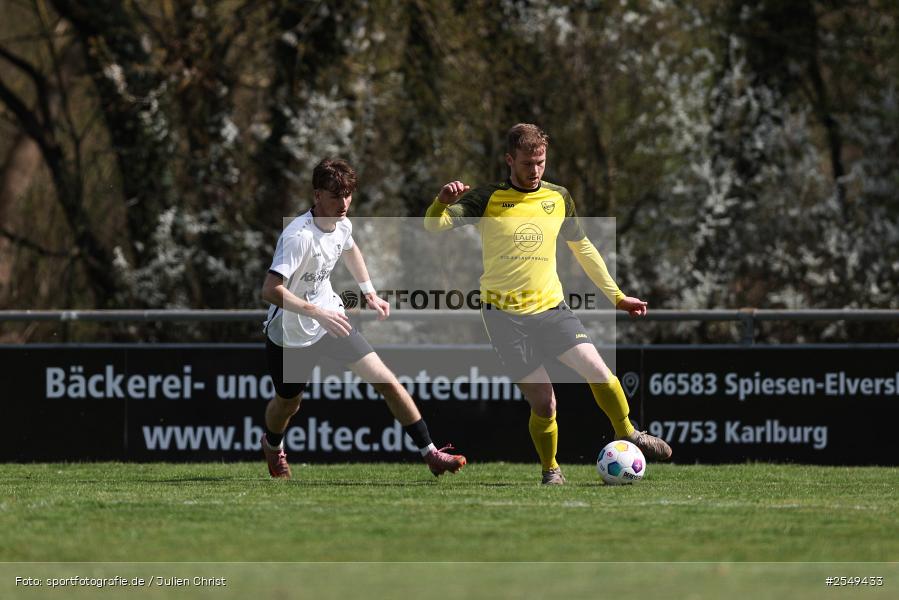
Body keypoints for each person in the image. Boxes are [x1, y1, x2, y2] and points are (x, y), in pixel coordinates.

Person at [424, 123, 671, 485]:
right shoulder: (488, 198)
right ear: (510, 159)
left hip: (552, 308)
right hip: (505, 317)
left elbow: (583, 247)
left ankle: (630, 431)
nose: (535, 170)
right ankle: (550, 470)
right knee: (546, 403)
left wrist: (617, 296)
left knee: (600, 372)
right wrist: (440, 202)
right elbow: (435, 227)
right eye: (527, 163)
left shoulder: (558, 198)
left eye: (541, 162)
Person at [261, 158, 466, 479]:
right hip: (291, 333)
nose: (343, 204)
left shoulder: (342, 223)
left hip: (333, 320)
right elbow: (270, 291)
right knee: (288, 404)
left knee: (386, 381)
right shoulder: (298, 237)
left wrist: (369, 292)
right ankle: (272, 446)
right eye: (334, 196)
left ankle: (431, 454)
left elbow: (350, 249)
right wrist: (317, 312)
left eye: (347, 195)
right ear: (317, 195)